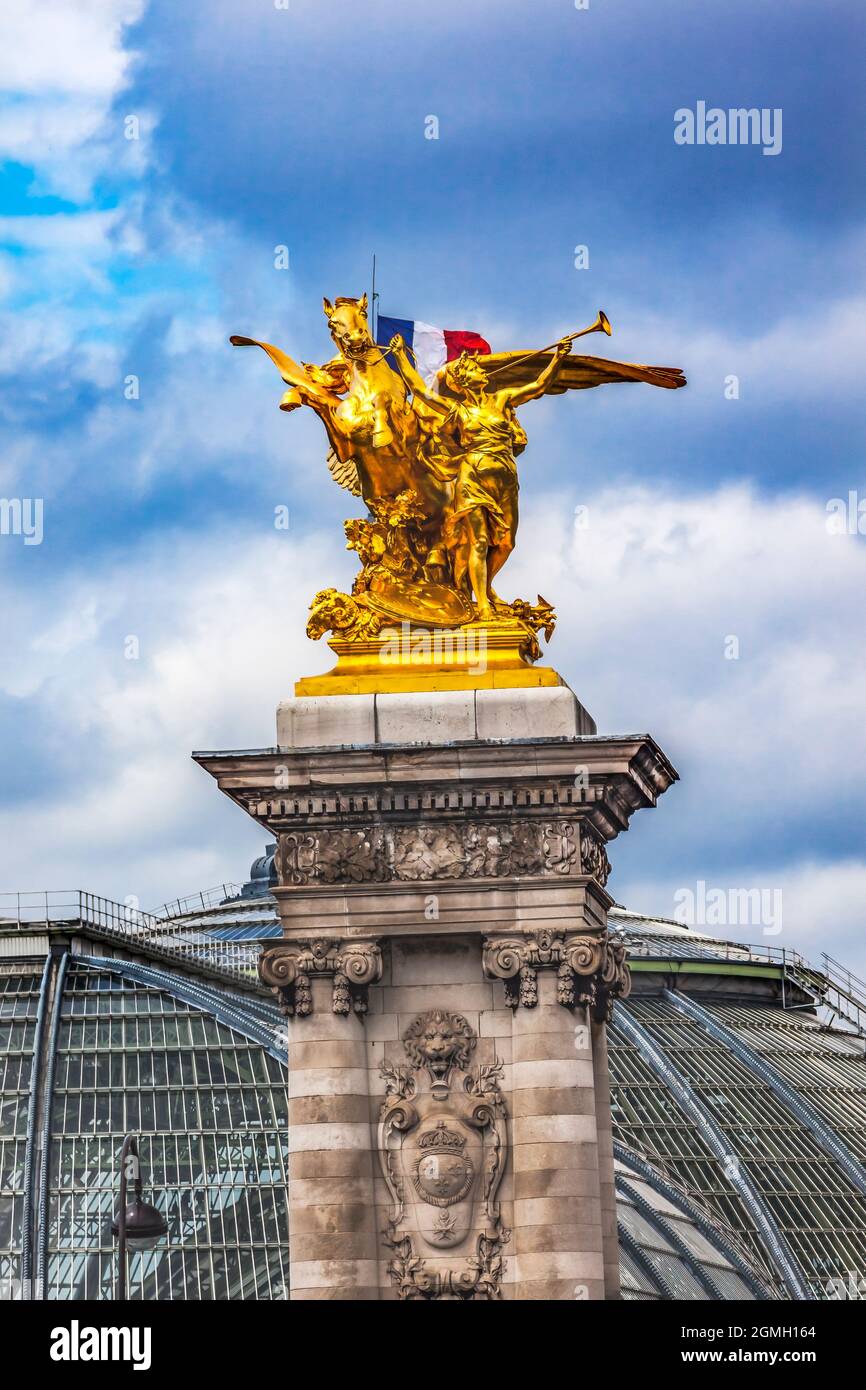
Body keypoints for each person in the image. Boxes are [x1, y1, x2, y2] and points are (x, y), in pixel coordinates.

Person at [389, 335, 571, 619]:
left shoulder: (501, 400)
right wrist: (400, 355)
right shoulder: (458, 410)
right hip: (472, 475)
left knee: (507, 543)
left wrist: (558, 358)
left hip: (506, 475)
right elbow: (419, 391)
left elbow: (537, 387)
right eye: (474, 369)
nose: (481, 371)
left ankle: (483, 587)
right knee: (479, 541)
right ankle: (483, 605)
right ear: (462, 381)